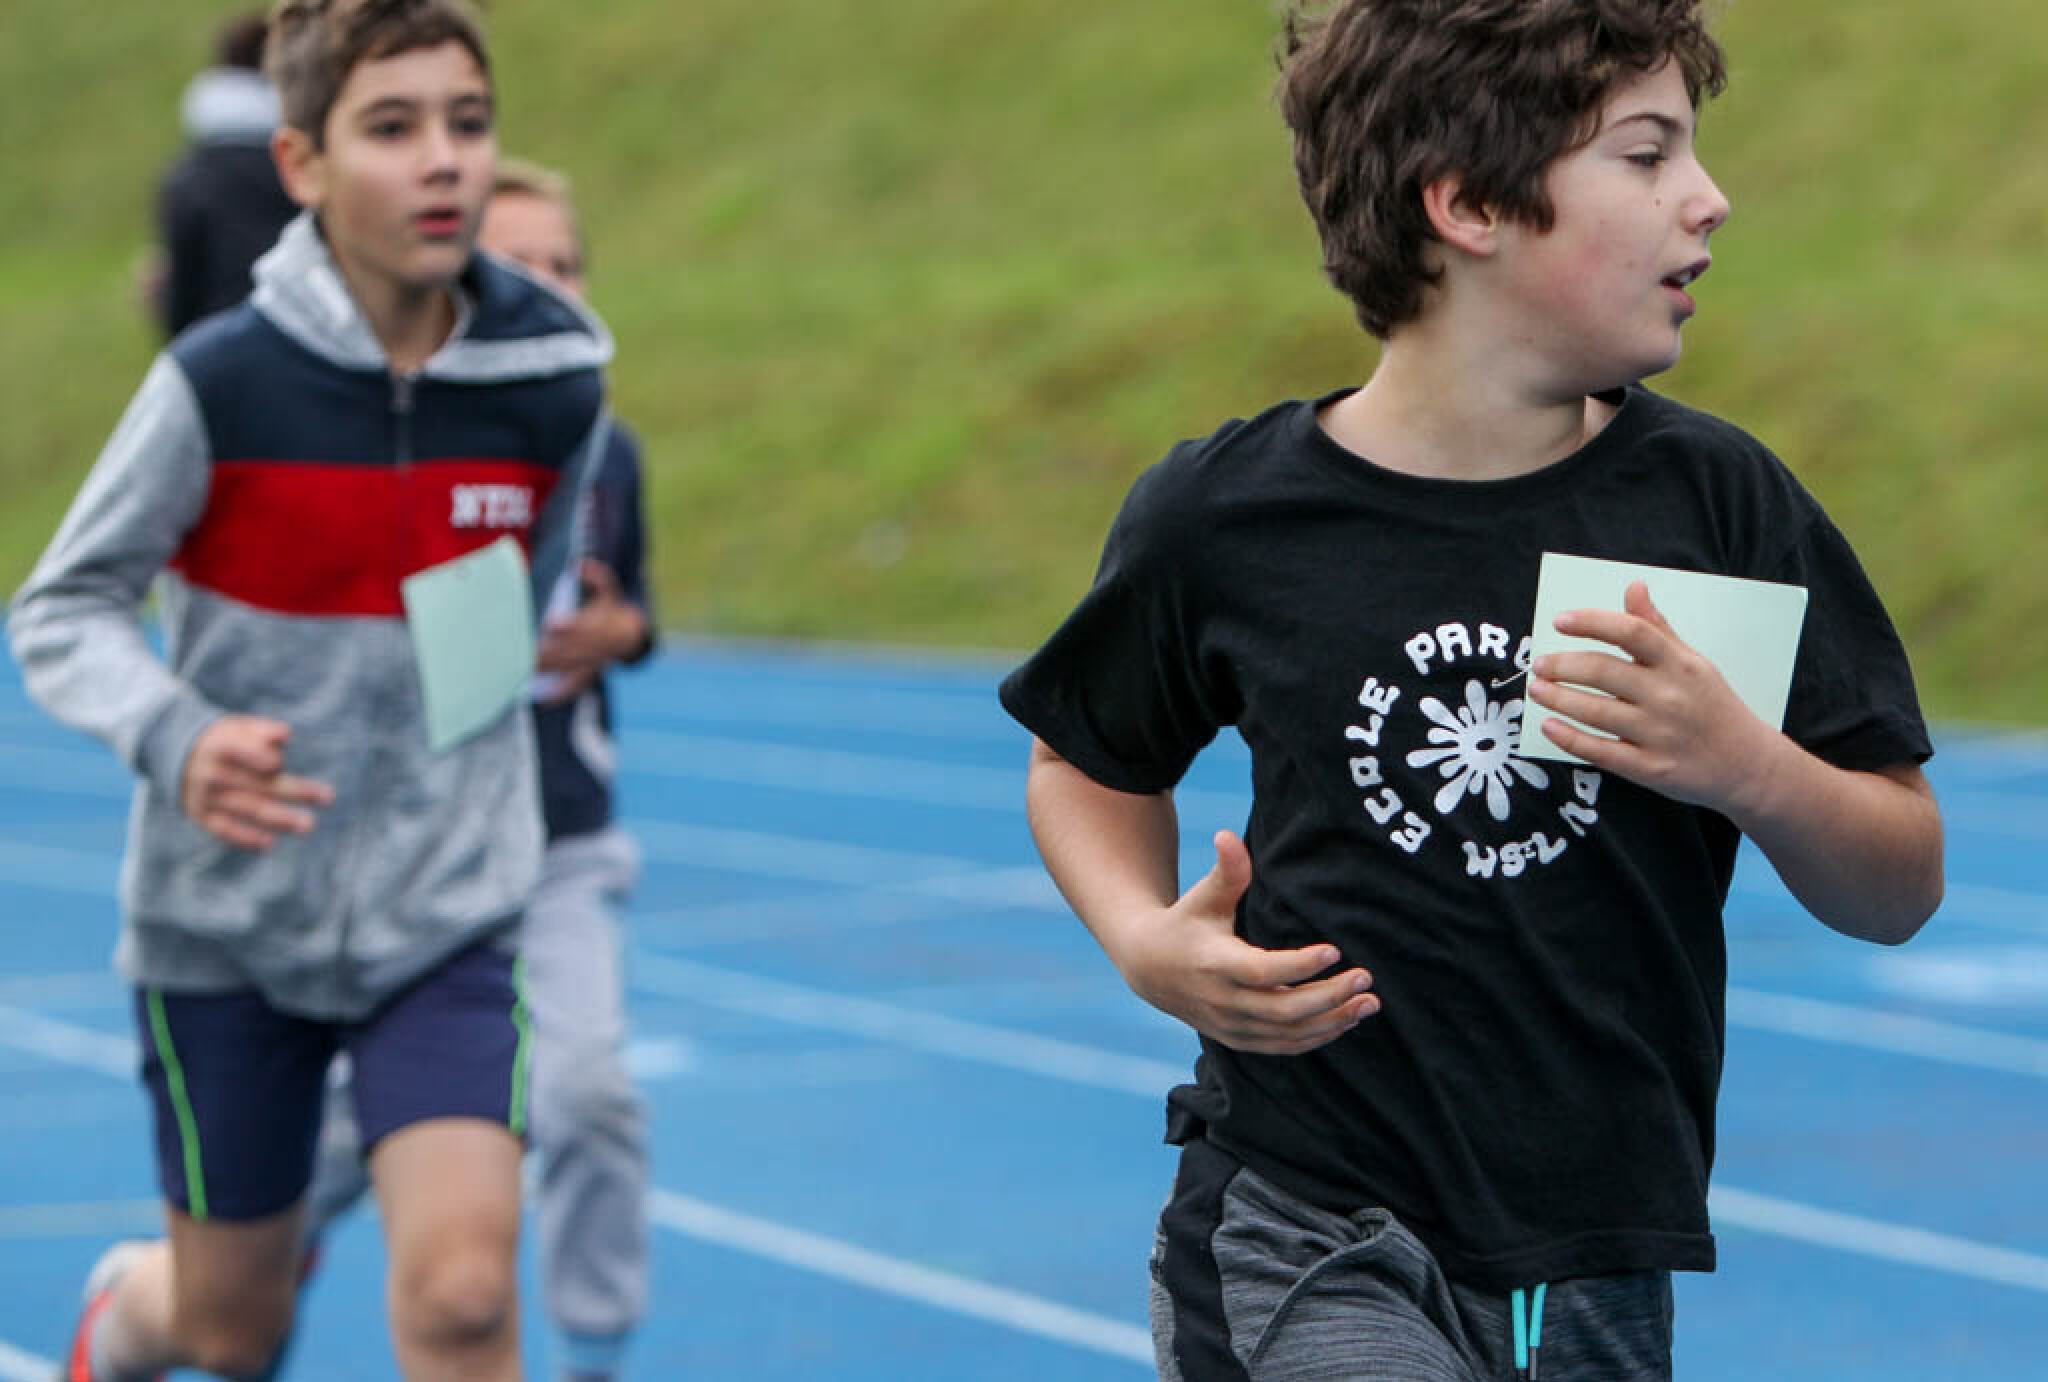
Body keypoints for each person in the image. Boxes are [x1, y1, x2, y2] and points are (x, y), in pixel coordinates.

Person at [997, 2, 1945, 1378]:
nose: (1709, 198)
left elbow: (1897, 882)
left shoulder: (1713, 506)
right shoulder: (1230, 517)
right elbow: (1085, 759)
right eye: (1646, 154)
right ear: (1469, 206)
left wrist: (1750, 767)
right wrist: (1143, 939)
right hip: (1305, 1216)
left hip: (1600, 1252)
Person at [9, 1, 613, 1378]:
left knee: (464, 1289)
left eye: (467, 122)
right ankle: (125, 1314)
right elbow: (63, 605)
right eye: (391, 128)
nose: (442, 159)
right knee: (234, 1327)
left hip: (446, 905)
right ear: (302, 163)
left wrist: (542, 645)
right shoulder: (220, 383)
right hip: (227, 922)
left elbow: (522, 589)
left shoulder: (554, 381)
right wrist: (177, 734)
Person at [299, 157, 656, 1382]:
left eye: (567, 264)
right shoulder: (378, 448)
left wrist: (614, 631)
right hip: (404, 852)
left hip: (557, 841)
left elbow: (632, 608)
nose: (549, 287)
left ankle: (593, 1354)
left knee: (590, 1095)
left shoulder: (606, 450)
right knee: (336, 1142)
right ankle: (236, 1263)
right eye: (520, 266)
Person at [150, 11, 300, 337]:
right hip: (306, 338)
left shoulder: (190, 175)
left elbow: (182, 296)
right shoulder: (310, 162)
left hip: (219, 341)